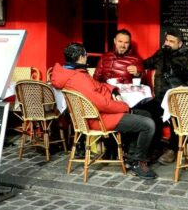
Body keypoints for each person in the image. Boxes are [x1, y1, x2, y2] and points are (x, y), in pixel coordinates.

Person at [50, 42, 157, 180]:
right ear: (82, 57)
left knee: (145, 115)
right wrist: (124, 107)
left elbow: (97, 86)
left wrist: (113, 90)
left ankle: (131, 155)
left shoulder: (70, 72)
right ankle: (137, 162)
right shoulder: (78, 78)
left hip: (94, 114)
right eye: (85, 55)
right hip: (97, 119)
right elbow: (101, 104)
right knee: (148, 124)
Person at [144, 27, 188, 163]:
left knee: (174, 116)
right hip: (160, 98)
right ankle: (155, 148)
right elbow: (147, 63)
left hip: (177, 100)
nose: (167, 43)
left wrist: (183, 87)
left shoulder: (186, 56)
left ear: (180, 44)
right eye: (167, 40)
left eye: (172, 41)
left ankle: (173, 149)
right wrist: (137, 69)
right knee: (145, 111)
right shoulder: (161, 53)